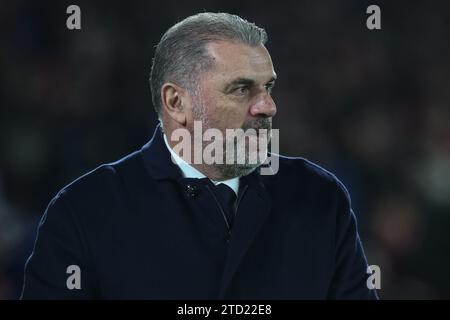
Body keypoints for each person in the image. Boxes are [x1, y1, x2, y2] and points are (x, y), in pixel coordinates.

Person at [21, 12, 378, 299]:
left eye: (268, 87)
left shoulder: (319, 196)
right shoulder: (85, 212)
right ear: (177, 103)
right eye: (241, 89)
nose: (268, 106)